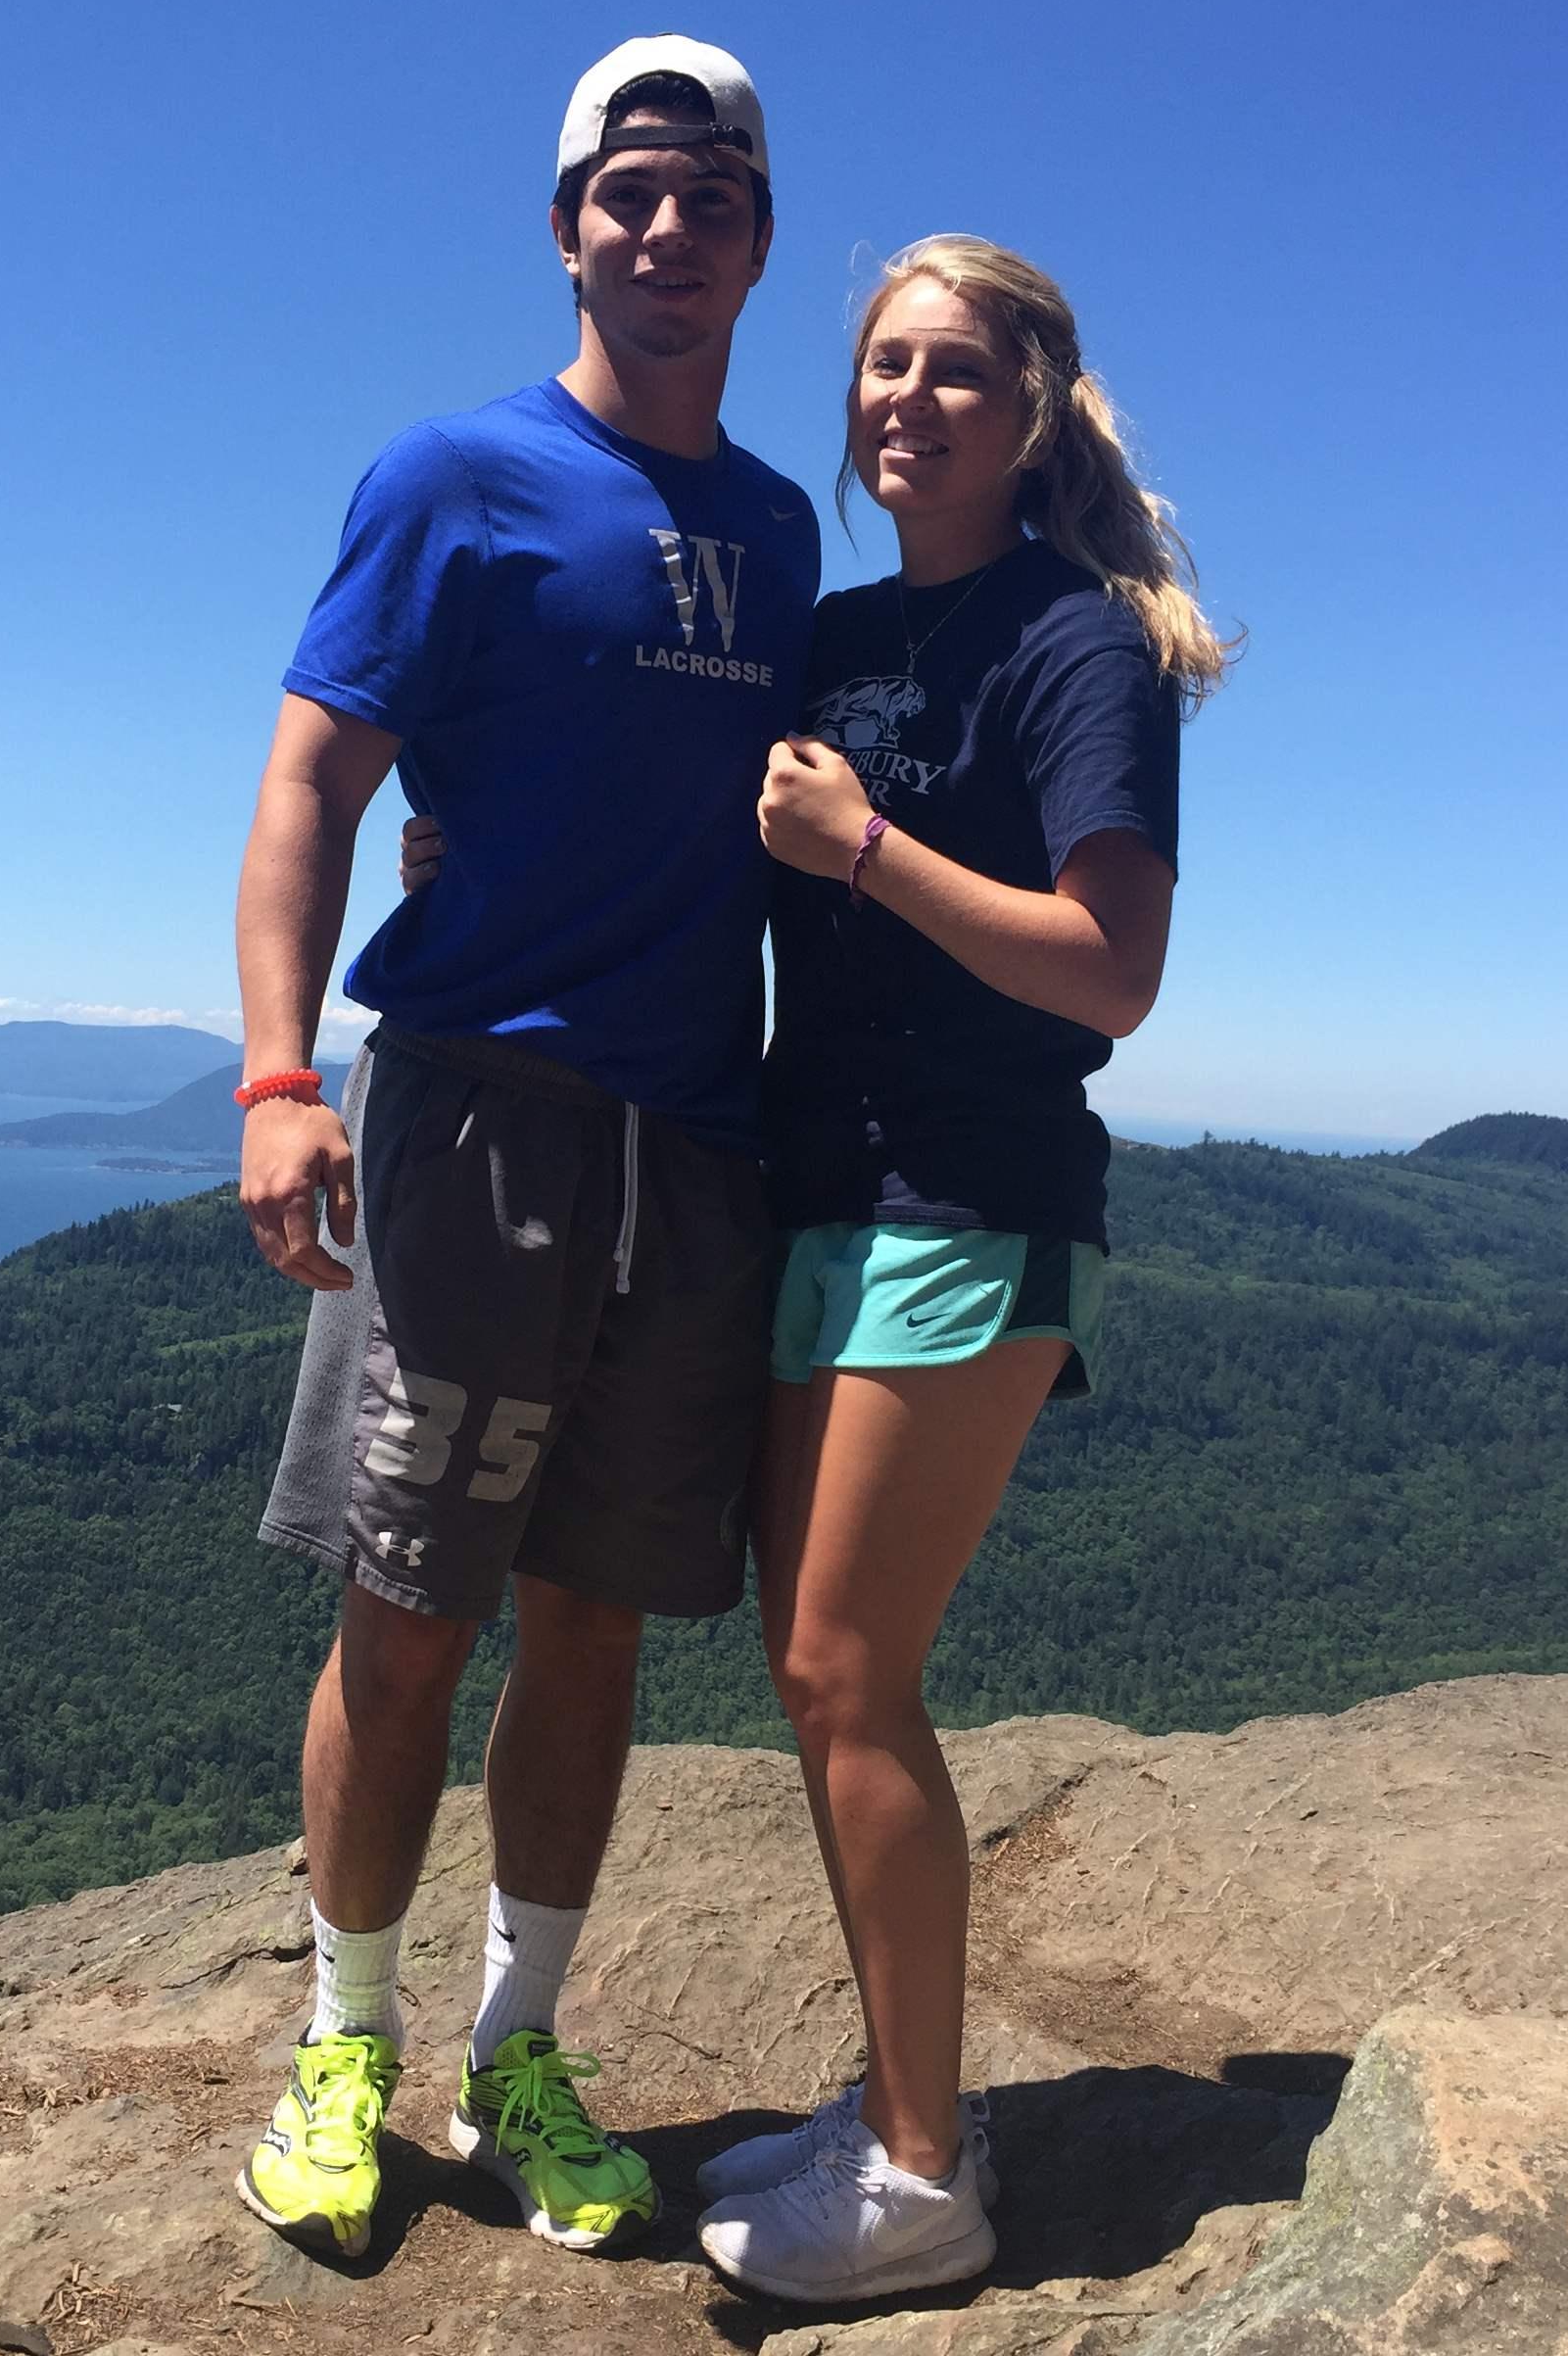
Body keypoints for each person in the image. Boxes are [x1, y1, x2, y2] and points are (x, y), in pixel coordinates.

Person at [404, 233, 1230, 2304]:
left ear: (1035, 410)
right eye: (883, 366)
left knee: (849, 1673)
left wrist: (868, 849)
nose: (907, 403)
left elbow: (1111, 972)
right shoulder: (842, 629)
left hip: (972, 1204)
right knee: (810, 1671)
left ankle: (930, 2175)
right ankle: (890, 2106)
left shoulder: (1079, 646)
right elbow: (666, 802)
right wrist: (466, 847)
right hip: (807, 1197)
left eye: (957, 372)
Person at [229, 36, 819, 2264]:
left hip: (698, 1139)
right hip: (476, 1110)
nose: (669, 231)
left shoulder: (776, 530)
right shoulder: (453, 476)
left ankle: (524, 2049)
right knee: (411, 1608)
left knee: (593, 1626)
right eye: (632, 193)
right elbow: (313, 781)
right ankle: (343, 2041)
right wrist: (284, 1079)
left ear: (758, 242)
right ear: (568, 224)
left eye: (713, 200)